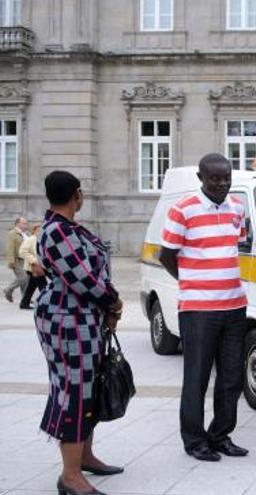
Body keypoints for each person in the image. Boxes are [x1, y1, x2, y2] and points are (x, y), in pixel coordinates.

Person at [35, 171, 124, 495]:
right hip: (66, 319)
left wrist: (108, 304)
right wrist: (113, 299)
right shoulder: (58, 231)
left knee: (88, 386)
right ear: (77, 194)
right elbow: (83, 279)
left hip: (80, 317)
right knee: (73, 390)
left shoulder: (66, 228)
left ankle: (85, 457)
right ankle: (70, 476)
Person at [159, 153, 250, 462]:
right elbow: (166, 256)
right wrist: (193, 282)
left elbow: (233, 247)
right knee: (196, 378)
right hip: (198, 309)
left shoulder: (237, 208)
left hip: (235, 306)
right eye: (215, 178)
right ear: (201, 178)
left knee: (231, 377)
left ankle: (221, 434)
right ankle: (195, 441)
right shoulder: (182, 209)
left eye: (226, 178)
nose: (222, 184)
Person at [19, 224, 47, 310]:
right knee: (44, 286)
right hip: (32, 267)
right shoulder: (31, 239)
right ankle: (46, 304)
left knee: (31, 287)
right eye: (38, 230)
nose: (40, 232)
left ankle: (24, 303)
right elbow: (22, 252)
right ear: (34, 231)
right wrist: (34, 260)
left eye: (41, 230)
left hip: (39, 267)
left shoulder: (40, 240)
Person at [4, 216, 28, 303]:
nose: (25, 225)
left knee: (26, 279)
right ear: (18, 223)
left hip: (25, 260)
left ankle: (25, 298)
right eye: (23, 223)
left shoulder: (24, 233)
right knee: (23, 278)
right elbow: (10, 248)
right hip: (17, 260)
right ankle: (8, 289)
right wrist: (11, 261)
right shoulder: (12, 233)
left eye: (26, 223)